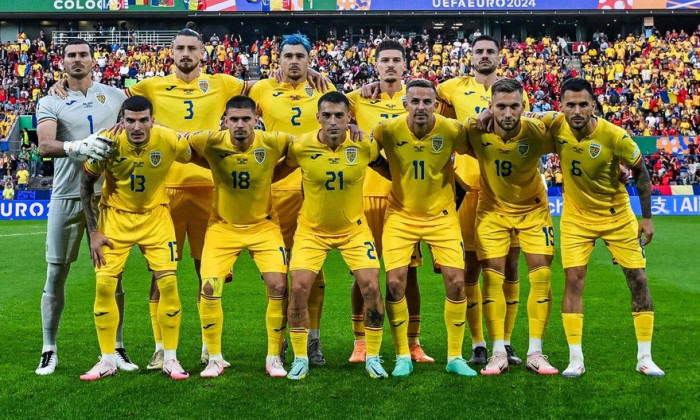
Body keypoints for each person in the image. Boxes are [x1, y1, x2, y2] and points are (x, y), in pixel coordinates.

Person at [534, 78, 663, 377]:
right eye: (570, 104)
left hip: (616, 215)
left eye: (583, 104)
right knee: (574, 281)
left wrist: (646, 218)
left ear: (593, 105)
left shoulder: (615, 136)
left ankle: (645, 357)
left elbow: (641, 174)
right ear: (561, 106)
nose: (577, 110)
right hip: (577, 218)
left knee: (638, 280)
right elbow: (523, 121)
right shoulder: (555, 125)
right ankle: (575, 359)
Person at [35, 38, 135, 376]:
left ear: (95, 61)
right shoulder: (51, 99)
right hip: (66, 195)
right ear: (62, 62)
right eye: (71, 55)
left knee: (113, 277)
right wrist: (79, 146)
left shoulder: (117, 96)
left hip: (108, 198)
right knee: (56, 273)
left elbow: (142, 117)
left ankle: (117, 347)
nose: (77, 60)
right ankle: (49, 348)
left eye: (83, 55)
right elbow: (45, 146)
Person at [275, 92, 388, 380]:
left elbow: (390, 167)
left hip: (354, 229)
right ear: (318, 118)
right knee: (299, 287)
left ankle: (373, 355)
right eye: (327, 115)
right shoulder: (301, 146)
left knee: (371, 287)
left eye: (340, 115)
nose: (333, 121)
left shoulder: (364, 145)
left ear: (350, 117)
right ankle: (301, 356)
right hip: (312, 230)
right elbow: (274, 173)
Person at [79, 95, 191, 381]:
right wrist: (93, 231)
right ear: (122, 121)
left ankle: (171, 358)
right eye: (130, 120)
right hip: (115, 218)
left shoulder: (168, 139)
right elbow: (85, 183)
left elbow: (193, 152)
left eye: (144, 120)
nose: (137, 126)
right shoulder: (107, 142)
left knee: (168, 284)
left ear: (153, 120)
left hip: (156, 217)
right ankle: (106, 361)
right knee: (105, 287)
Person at [371, 79, 475, 377]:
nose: (420, 107)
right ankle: (403, 354)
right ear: (404, 104)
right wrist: (387, 170)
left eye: (426, 102)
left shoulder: (451, 129)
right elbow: (365, 152)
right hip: (400, 216)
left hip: (441, 217)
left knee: (457, 281)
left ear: (435, 105)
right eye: (414, 101)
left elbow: (479, 147)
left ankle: (455, 356)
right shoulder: (387, 129)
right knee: (394, 283)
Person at [186, 96, 293, 379]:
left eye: (246, 119)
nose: (240, 125)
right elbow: (174, 141)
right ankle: (215, 358)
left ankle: (274, 357)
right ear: (225, 121)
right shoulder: (209, 141)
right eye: (234, 119)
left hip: (264, 227)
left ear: (256, 120)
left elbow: (306, 146)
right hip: (222, 227)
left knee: (278, 285)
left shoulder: (274, 141)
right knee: (208, 288)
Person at [436, 35, 527, 365]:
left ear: (499, 56)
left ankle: (504, 341)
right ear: (470, 55)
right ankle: (478, 343)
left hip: (507, 191)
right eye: (479, 51)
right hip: (469, 189)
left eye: (490, 51)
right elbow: (416, 95)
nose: (484, 55)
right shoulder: (451, 89)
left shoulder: (512, 91)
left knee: (511, 267)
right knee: (471, 267)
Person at [248, 33, 335, 366]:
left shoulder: (325, 90)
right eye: (288, 55)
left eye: (301, 55)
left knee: (315, 273)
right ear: (278, 60)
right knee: (280, 273)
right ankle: (282, 339)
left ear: (310, 60)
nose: (294, 60)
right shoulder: (260, 90)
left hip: (317, 191)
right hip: (276, 193)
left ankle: (313, 340)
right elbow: (232, 111)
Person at [346, 40, 433, 364]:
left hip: (402, 200)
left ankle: (413, 342)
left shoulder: (415, 100)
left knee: (408, 275)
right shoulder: (358, 98)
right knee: (363, 274)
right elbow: (327, 102)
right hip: (363, 196)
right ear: (375, 64)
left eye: (397, 59)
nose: (391, 65)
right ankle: (361, 342)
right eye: (386, 60)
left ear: (405, 64)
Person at [463, 78, 558, 375]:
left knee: (541, 276)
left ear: (524, 106)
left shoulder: (538, 132)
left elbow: (573, 130)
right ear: (490, 107)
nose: (507, 113)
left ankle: (535, 352)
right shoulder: (475, 131)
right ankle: (497, 351)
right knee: (492, 278)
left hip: (533, 212)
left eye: (514, 106)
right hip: (492, 212)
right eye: (501, 106)